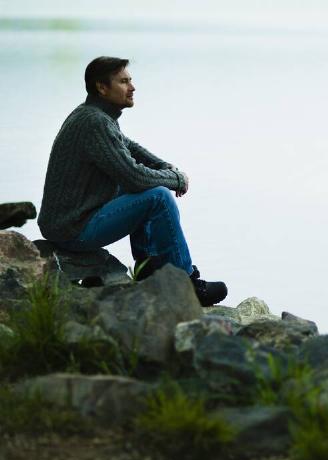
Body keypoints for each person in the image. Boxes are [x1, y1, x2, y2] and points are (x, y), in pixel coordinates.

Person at [37, 56, 227, 306]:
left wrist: (164, 167)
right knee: (158, 197)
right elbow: (134, 176)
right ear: (101, 88)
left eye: (131, 80)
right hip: (73, 229)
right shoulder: (94, 122)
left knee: (145, 188)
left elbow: (129, 147)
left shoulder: (95, 116)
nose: (132, 87)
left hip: (71, 218)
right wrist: (174, 179)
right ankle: (186, 284)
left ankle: (149, 269)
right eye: (123, 82)